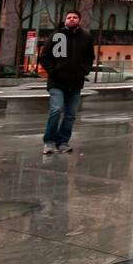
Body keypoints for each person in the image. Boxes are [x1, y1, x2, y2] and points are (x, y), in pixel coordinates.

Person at [39, 10, 95, 156]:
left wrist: (84, 71)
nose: (71, 19)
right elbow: (45, 57)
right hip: (57, 82)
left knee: (70, 115)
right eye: (69, 17)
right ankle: (49, 142)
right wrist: (53, 71)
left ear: (79, 20)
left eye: (75, 17)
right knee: (56, 110)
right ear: (65, 20)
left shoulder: (86, 38)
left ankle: (63, 142)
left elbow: (89, 58)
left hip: (75, 83)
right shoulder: (57, 36)